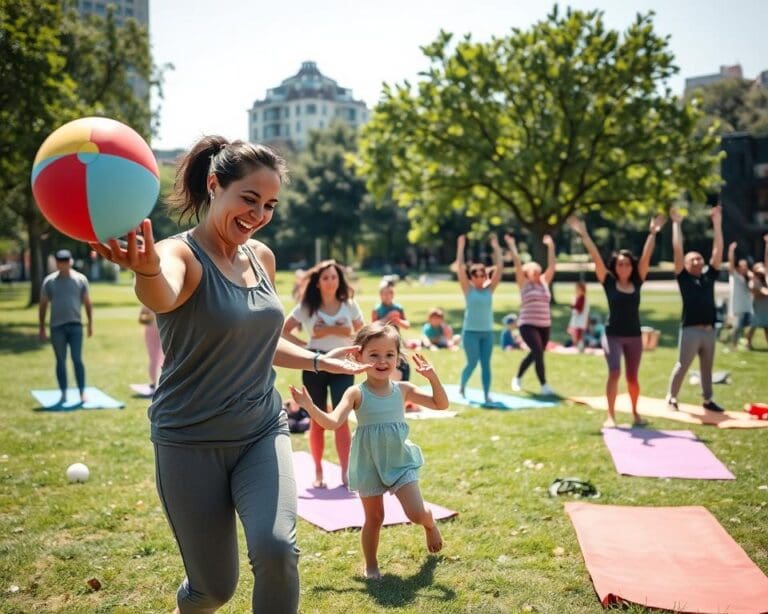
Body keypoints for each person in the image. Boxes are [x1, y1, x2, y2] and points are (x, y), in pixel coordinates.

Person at [89, 136, 366, 614]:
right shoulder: (179, 255)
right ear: (215, 185)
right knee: (213, 589)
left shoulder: (262, 257)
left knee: (278, 549)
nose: (259, 214)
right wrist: (147, 269)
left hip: (261, 430)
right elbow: (162, 294)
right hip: (190, 441)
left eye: (270, 205)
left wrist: (320, 360)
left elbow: (257, 336)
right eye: (250, 199)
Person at [288, 322, 448, 579]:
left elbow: (440, 404)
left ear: (398, 358)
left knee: (416, 513)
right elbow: (332, 422)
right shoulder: (355, 393)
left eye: (389, 355)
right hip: (368, 464)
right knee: (374, 518)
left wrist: (433, 378)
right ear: (358, 356)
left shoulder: (403, 389)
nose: (382, 361)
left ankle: (429, 524)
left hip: (399, 461)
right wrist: (308, 405)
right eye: (374, 355)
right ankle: (371, 565)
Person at [567, 214, 666, 427]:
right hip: (612, 334)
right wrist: (584, 234)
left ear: (632, 266)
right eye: (620, 264)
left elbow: (647, 257)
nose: (623, 268)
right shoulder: (609, 282)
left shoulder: (637, 281)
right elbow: (596, 257)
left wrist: (652, 233)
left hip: (634, 336)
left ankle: (635, 414)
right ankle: (610, 416)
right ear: (615, 266)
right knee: (614, 371)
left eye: (627, 264)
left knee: (632, 378)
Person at [282, 260, 365, 489]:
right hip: (315, 364)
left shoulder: (349, 305)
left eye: (334, 277)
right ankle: (318, 470)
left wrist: (355, 348)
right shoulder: (307, 307)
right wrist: (304, 347)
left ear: (339, 280)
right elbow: (283, 330)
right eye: (326, 278)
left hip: (341, 366)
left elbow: (362, 331)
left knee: (341, 420)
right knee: (317, 420)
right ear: (317, 283)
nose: (331, 282)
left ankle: (346, 473)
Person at [666, 205, 725, 413]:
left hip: (709, 329)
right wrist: (676, 224)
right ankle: (672, 397)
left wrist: (717, 224)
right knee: (682, 365)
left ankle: (708, 400)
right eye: (694, 259)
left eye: (700, 258)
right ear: (686, 263)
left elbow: (718, 250)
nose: (698, 261)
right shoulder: (684, 278)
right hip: (690, 329)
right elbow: (678, 250)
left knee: (707, 368)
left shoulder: (709, 276)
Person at [38, 249, 93, 405]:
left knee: (77, 359)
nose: (64, 264)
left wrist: (90, 324)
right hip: (57, 328)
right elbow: (43, 305)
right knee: (60, 361)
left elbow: (87, 303)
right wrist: (41, 327)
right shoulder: (49, 281)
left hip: (76, 326)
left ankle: (82, 392)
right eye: (61, 261)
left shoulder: (80, 279)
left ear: (70, 262)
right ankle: (63, 393)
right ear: (57, 263)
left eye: (66, 261)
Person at [505, 234, 557, 396]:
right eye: (532, 270)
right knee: (537, 351)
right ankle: (544, 385)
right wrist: (513, 247)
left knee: (537, 353)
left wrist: (551, 246)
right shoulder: (524, 283)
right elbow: (517, 264)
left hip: (544, 325)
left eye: (537, 270)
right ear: (527, 272)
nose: (536, 273)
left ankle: (517, 378)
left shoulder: (543, 282)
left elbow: (552, 267)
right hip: (527, 324)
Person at [455, 234, 504, 403]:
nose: (480, 276)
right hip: (470, 333)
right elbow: (460, 267)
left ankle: (486, 394)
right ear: (471, 277)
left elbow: (500, 267)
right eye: (476, 274)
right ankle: (462, 387)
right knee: (472, 363)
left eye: (483, 274)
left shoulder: (490, 289)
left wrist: (496, 247)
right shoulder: (468, 289)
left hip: (487, 333)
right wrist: (461, 246)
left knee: (486, 364)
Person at [371, 279, 411, 381]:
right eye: (384, 293)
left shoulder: (398, 308)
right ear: (380, 295)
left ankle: (404, 386)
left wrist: (398, 321)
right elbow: (372, 327)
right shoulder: (377, 309)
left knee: (404, 366)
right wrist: (387, 318)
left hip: (397, 342)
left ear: (393, 294)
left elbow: (407, 325)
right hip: (383, 343)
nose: (387, 296)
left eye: (389, 293)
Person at [727, 241, 753, 350]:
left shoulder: (748, 278)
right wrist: (731, 251)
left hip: (748, 306)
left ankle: (747, 343)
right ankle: (733, 345)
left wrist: (750, 274)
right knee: (737, 327)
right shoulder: (735, 276)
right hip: (738, 307)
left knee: (750, 326)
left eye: (745, 266)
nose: (744, 268)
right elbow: (731, 263)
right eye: (742, 266)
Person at [747, 235, 768, 348]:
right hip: (758, 305)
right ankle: (748, 342)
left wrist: (767, 245)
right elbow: (760, 291)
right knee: (754, 324)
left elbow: (767, 260)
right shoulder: (754, 281)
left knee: (766, 326)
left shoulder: (765, 278)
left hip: (765, 305)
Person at [138, 304, 164, 390]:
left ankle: (155, 383)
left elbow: (143, 312)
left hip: (153, 327)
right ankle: (157, 383)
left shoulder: (149, 295)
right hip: (162, 327)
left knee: (155, 358)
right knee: (159, 358)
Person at [566, 281, 589, 351]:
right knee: (576, 334)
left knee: (578, 335)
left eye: (579, 289)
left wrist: (573, 306)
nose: (577, 291)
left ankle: (580, 347)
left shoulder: (582, 299)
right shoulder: (579, 298)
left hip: (580, 320)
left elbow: (580, 309)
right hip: (578, 320)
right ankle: (577, 347)